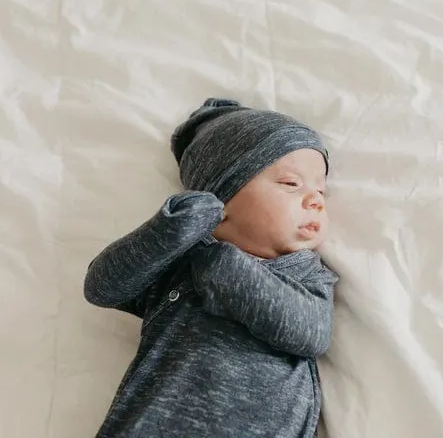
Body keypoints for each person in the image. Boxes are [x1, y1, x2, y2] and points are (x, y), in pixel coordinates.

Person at [84, 98, 339, 437]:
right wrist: (169, 230)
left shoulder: (304, 272)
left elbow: (311, 333)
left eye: (320, 189)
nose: (315, 200)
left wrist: (228, 270)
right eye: (291, 184)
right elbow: (101, 287)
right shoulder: (181, 259)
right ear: (222, 199)